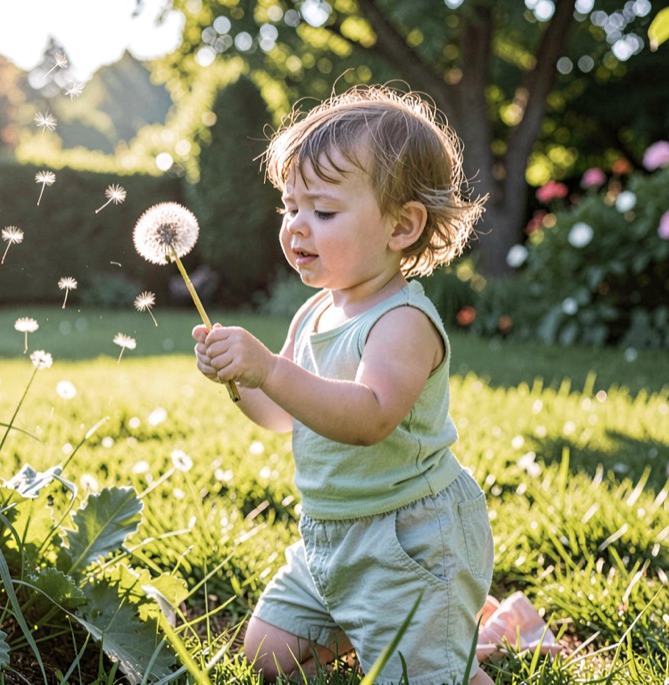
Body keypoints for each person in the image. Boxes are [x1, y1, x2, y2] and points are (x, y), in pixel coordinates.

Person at [192, 85, 494, 685]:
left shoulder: (402, 322)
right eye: (289, 207)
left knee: (424, 679)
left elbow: (368, 416)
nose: (297, 228)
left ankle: (449, 658)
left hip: (408, 540)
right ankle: (382, 637)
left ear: (402, 226)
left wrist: (272, 370)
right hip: (327, 536)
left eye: (323, 212)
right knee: (266, 654)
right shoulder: (317, 312)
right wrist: (242, 379)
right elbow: (285, 414)